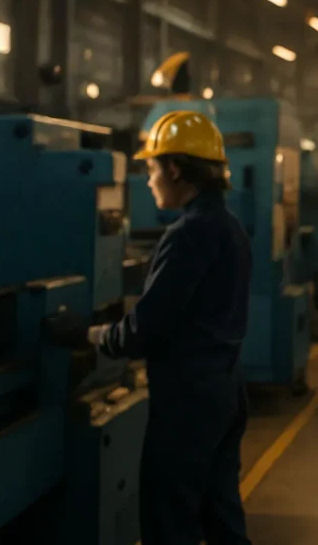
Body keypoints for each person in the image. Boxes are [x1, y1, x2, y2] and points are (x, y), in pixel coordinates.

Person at [47, 110, 253, 544]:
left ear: (175, 168)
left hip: (187, 403)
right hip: (226, 391)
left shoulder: (189, 233)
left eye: (151, 168)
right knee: (221, 518)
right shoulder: (230, 227)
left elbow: (143, 331)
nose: (147, 180)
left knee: (169, 522)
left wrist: (86, 333)